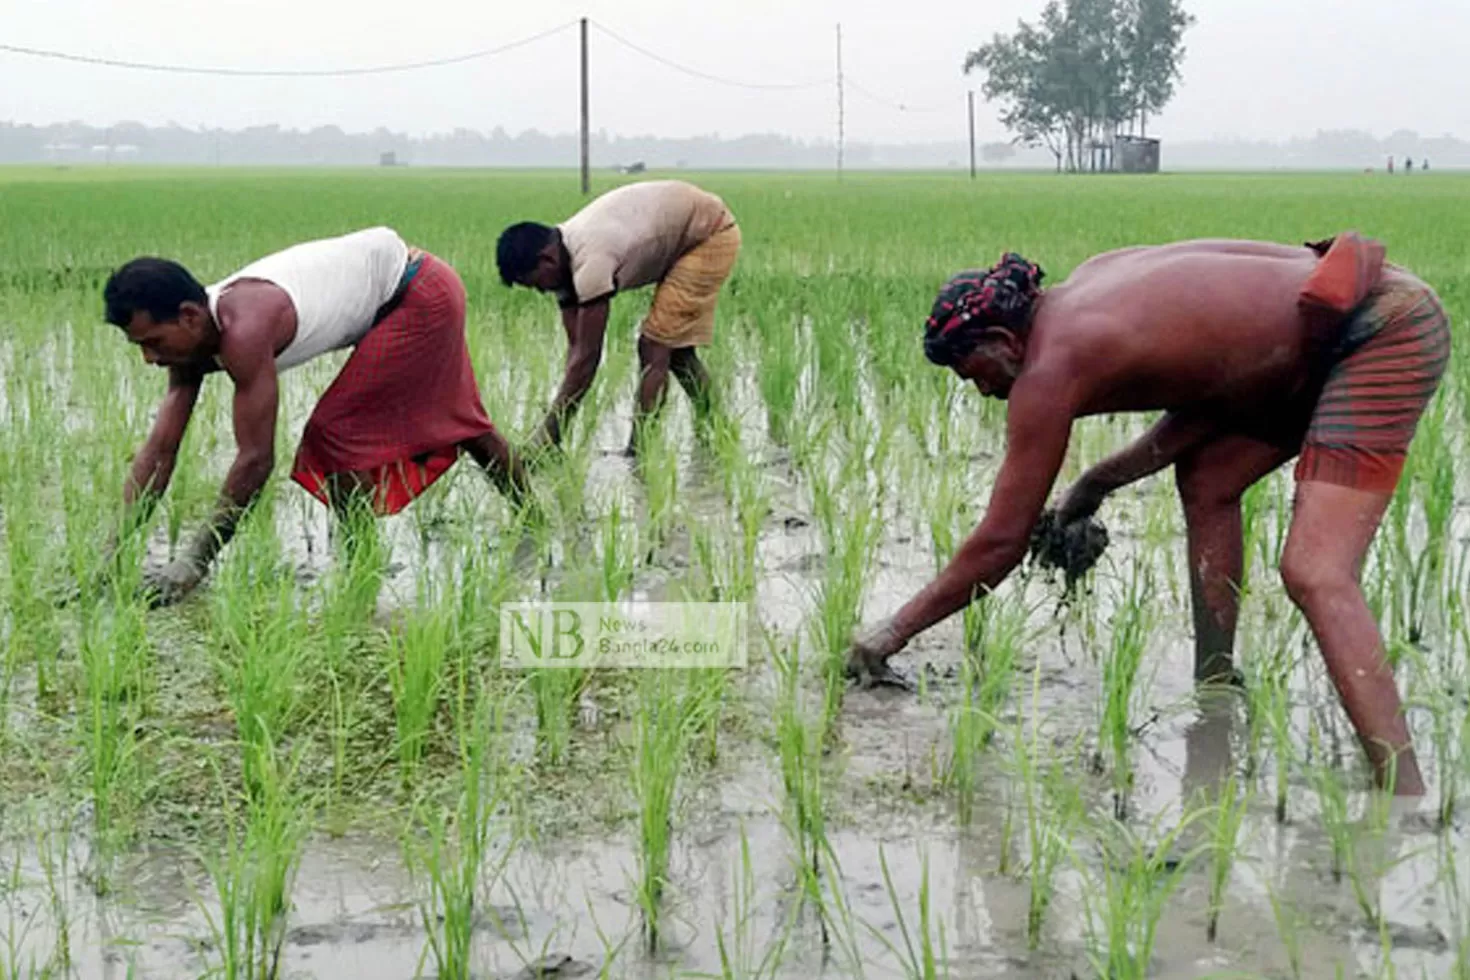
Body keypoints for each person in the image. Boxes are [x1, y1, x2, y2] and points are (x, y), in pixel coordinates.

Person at [846, 234, 1450, 795]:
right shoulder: (1090, 285)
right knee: (1210, 479)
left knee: (1316, 572)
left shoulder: (1051, 368)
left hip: (1380, 331)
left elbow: (1001, 540)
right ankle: (1215, 683)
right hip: (1324, 330)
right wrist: (1095, 482)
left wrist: (890, 634)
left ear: (1003, 343)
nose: (978, 390)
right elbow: (1216, 386)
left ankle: (1404, 795)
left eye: (968, 372)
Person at [101, 226, 529, 605]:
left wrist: (194, 562)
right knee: (462, 418)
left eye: (153, 342)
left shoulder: (244, 330)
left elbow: (255, 459)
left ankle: (363, 561)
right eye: (140, 345)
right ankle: (533, 517)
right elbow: (160, 451)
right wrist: (109, 559)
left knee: (334, 432)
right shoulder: (190, 340)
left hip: (417, 292)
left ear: (189, 316)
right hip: (397, 287)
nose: (148, 358)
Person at [496, 180, 741, 456]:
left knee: (655, 346)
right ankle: (719, 427)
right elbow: (576, 349)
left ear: (547, 259)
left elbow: (588, 357)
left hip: (710, 234)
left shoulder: (591, 260)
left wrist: (547, 435)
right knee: (677, 351)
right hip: (681, 229)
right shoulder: (564, 264)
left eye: (536, 283)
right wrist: (561, 412)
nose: (541, 291)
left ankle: (640, 451)